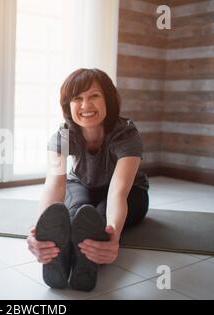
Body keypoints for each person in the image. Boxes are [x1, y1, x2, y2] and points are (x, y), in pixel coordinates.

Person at [26, 68, 149, 291]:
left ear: (108, 101)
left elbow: (118, 191)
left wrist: (114, 236)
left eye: (94, 96)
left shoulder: (126, 134)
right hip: (82, 183)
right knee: (74, 213)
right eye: (77, 99)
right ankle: (59, 256)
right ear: (68, 105)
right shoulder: (62, 137)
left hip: (131, 193)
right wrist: (38, 232)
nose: (85, 106)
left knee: (98, 219)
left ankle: (88, 261)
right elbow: (54, 185)